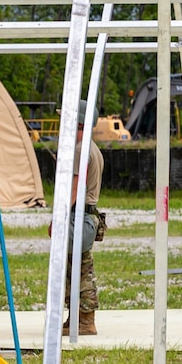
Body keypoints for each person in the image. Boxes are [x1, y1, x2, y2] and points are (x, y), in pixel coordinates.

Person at [72, 102, 105, 336]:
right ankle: (77, 318)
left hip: (79, 213)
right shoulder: (91, 148)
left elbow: (76, 186)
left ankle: (85, 320)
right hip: (87, 214)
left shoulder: (80, 150)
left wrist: (60, 216)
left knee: (81, 269)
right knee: (76, 267)